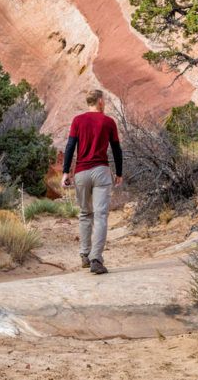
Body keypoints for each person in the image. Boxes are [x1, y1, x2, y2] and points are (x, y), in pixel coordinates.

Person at [61, 88, 123, 275]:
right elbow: (117, 150)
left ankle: (84, 255)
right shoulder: (109, 122)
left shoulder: (78, 121)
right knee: (101, 215)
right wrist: (119, 172)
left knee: (85, 214)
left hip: (81, 172)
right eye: (104, 99)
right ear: (100, 102)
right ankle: (96, 259)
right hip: (101, 172)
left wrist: (65, 172)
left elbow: (70, 146)